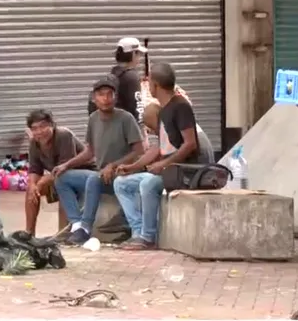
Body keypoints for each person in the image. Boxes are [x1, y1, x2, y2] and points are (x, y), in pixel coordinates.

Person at [113, 62, 205, 250]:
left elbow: (190, 144)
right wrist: (132, 167)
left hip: (184, 171)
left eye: (149, 83)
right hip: (169, 170)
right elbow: (158, 148)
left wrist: (164, 164)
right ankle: (138, 231)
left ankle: (148, 237)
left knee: (148, 183)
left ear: (155, 85)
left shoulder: (181, 106)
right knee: (121, 183)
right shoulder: (163, 110)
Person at [52, 75, 144, 245]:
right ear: (94, 98)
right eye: (102, 94)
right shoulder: (93, 119)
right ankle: (76, 224)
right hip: (101, 174)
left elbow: (139, 151)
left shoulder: (126, 118)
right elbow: (90, 152)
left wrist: (114, 165)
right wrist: (66, 164)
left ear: (115, 98)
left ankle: (86, 228)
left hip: (122, 174)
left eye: (110, 94)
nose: (106, 99)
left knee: (94, 178)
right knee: (61, 178)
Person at [24, 109, 86, 236]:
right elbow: (35, 169)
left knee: (61, 182)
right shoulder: (34, 143)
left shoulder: (64, 135)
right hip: (59, 176)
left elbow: (65, 168)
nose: (39, 132)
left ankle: (63, 233)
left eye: (43, 126)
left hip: (82, 175)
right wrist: (33, 185)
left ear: (52, 125)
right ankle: (29, 234)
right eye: (35, 128)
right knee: (31, 190)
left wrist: (41, 183)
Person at [88, 37, 146, 123]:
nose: (140, 57)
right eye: (139, 54)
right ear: (133, 54)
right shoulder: (132, 77)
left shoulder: (114, 73)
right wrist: (141, 129)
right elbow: (137, 109)